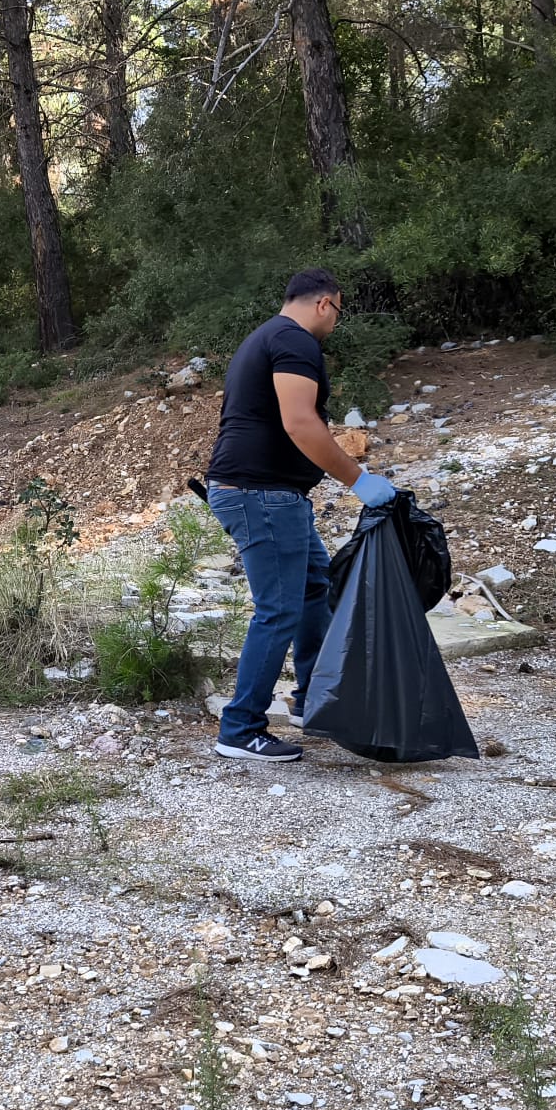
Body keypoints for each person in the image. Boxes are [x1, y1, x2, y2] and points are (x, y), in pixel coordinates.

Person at [203, 269, 395, 761]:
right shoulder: (295, 341)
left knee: (313, 590)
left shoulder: (264, 337)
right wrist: (358, 480)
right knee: (280, 608)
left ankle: (314, 699)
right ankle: (241, 728)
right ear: (326, 303)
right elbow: (299, 421)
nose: (335, 322)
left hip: (267, 494)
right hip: (260, 494)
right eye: (338, 311)